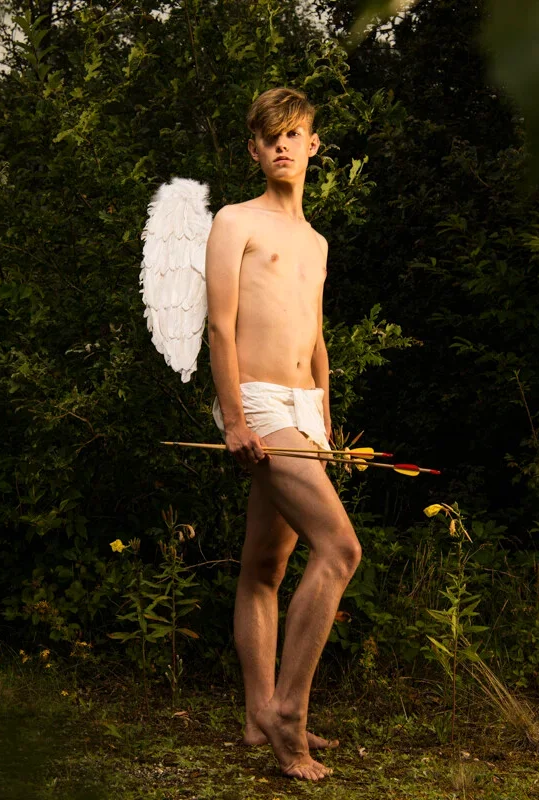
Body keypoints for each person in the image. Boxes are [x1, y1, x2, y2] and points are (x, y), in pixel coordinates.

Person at [205, 86, 361, 782]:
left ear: (313, 144)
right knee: (340, 548)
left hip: (304, 408)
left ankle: (254, 714)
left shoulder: (317, 241)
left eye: (294, 134)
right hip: (260, 403)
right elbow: (220, 326)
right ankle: (288, 714)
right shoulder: (235, 221)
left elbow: (317, 335)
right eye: (270, 137)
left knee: (265, 566)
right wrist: (235, 417)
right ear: (254, 149)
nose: (282, 146)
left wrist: (326, 414)